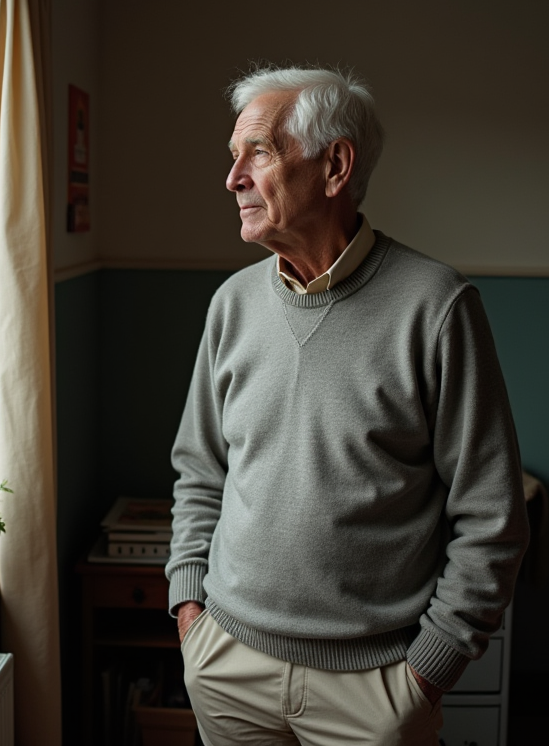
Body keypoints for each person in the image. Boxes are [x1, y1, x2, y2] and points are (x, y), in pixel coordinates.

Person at [166, 65, 530, 745]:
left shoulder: (437, 308)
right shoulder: (232, 306)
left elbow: (493, 517)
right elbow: (199, 471)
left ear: (335, 166)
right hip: (227, 664)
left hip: (378, 686)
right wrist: (191, 612)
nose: (233, 178)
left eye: (260, 153)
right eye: (233, 156)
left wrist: (426, 674)